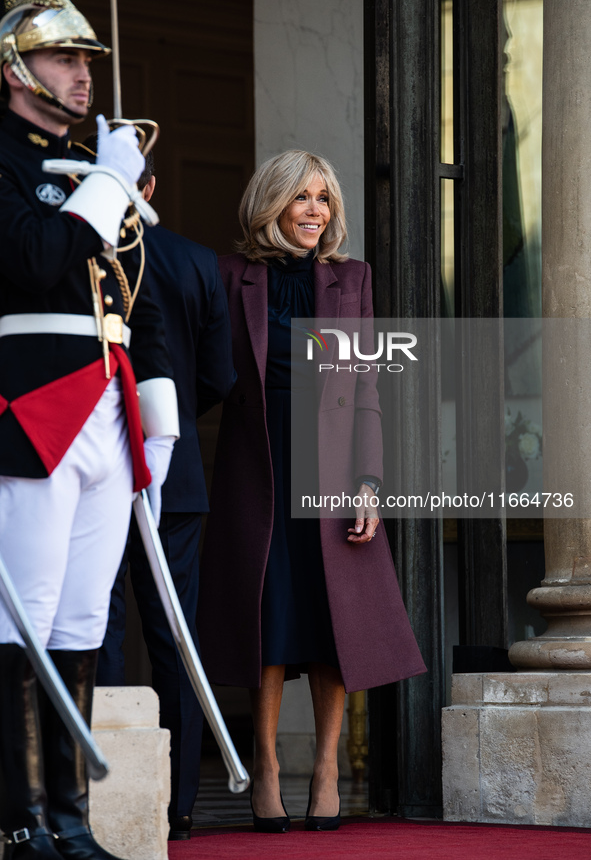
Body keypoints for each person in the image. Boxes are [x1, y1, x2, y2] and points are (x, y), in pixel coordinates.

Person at [0, 0, 178, 858]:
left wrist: (159, 419)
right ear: (13, 65)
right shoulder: (2, 157)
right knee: (24, 616)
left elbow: (133, 296)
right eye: (64, 57)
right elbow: (34, 262)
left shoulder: (95, 163)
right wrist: (106, 186)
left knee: (81, 621)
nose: (81, 74)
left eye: (84, 59)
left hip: (107, 405)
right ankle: (21, 818)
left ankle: (71, 819)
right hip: (32, 402)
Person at [196, 149, 426, 833]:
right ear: (272, 203)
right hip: (256, 465)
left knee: (332, 623)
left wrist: (369, 481)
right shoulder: (228, 275)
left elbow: (365, 392)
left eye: (323, 199)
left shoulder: (350, 279)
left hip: (331, 470)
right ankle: (263, 767)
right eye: (302, 198)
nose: (315, 211)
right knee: (268, 619)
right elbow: (207, 371)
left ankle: (327, 769)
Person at [95, 152, 236, 841]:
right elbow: (216, 375)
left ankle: (109, 792)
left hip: (89, 466)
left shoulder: (80, 251)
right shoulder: (194, 259)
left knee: (99, 627)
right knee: (173, 635)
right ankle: (177, 803)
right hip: (173, 474)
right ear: (151, 189)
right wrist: (166, 432)